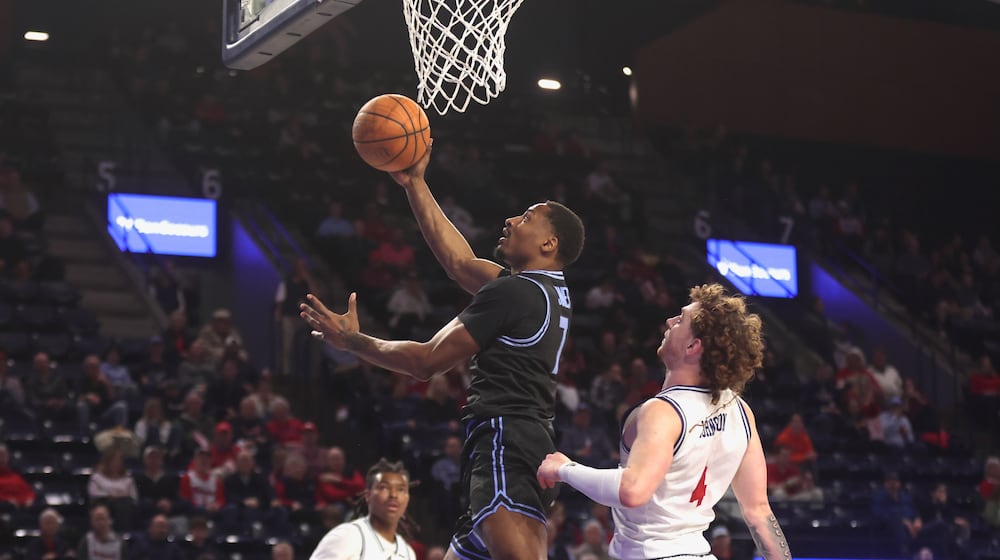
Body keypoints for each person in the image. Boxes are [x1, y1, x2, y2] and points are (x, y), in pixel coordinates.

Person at [301, 142, 586, 560]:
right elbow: (458, 262)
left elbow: (425, 361)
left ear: (549, 244)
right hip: (519, 441)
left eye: (526, 218)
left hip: (505, 442)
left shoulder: (516, 292)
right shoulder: (547, 290)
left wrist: (353, 341)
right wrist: (414, 182)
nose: (510, 220)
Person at [537, 284, 793, 560]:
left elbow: (632, 491)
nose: (670, 321)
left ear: (693, 346)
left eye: (681, 319)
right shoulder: (740, 410)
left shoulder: (663, 411)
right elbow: (758, 512)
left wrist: (565, 469)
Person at [309, 458, 417, 560]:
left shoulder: (408, 553)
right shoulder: (347, 536)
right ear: (368, 496)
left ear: (407, 499)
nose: (394, 495)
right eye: (384, 487)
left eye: (401, 489)